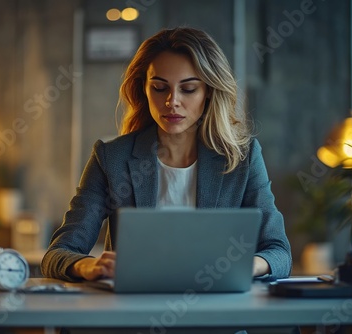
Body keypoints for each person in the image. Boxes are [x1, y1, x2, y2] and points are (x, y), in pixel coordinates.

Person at [41, 26, 292, 282]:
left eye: (189, 89)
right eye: (160, 88)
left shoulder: (242, 158)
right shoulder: (111, 158)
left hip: (218, 311)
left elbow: (279, 252)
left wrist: (248, 265)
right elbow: (58, 254)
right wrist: (88, 267)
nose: (172, 101)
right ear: (144, 89)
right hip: (133, 313)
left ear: (209, 91)